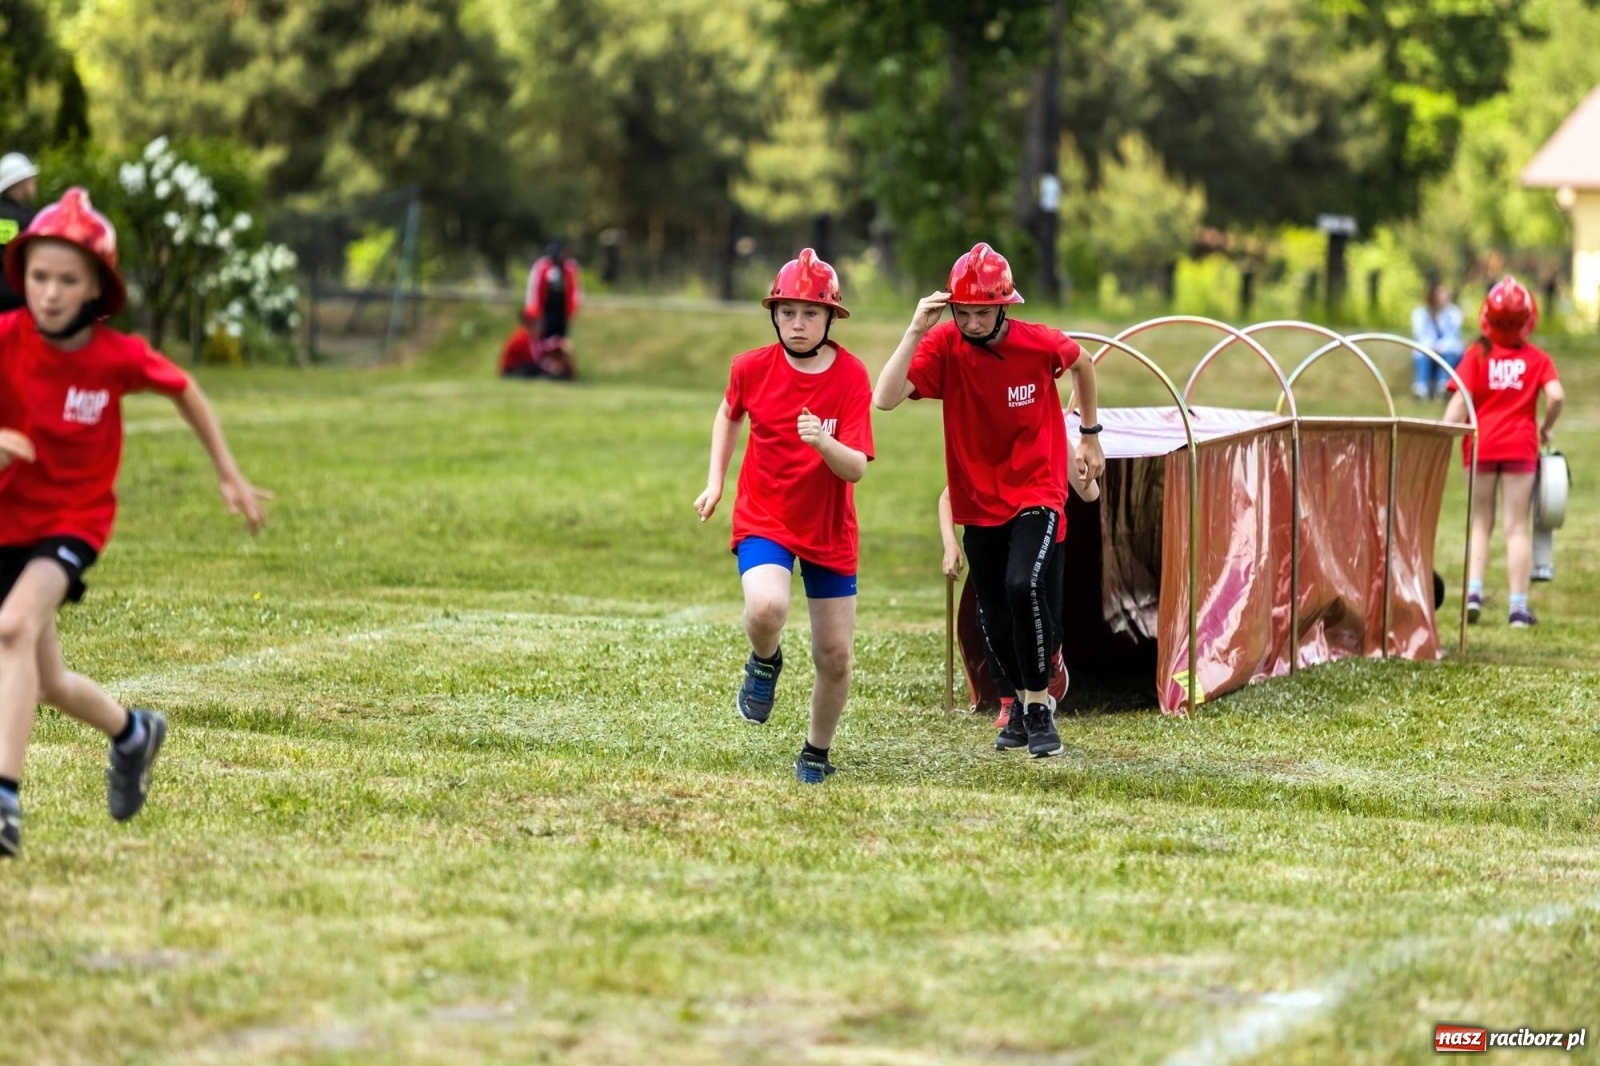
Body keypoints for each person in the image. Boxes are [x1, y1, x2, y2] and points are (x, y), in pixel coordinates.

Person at [0, 188, 271, 857]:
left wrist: (229, 473)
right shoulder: (5, 340)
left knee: (12, 625)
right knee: (49, 680)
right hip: (9, 519)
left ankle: (4, 796)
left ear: (97, 287)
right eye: (39, 277)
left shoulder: (116, 357)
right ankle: (132, 733)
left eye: (68, 280)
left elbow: (185, 389)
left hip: (73, 521)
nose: (51, 293)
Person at [875, 243, 1103, 758]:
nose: (973, 322)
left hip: (1037, 488)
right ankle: (1018, 703)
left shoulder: (1038, 343)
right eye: (964, 312)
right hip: (976, 497)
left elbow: (1083, 363)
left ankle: (1040, 706)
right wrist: (916, 329)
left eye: (983, 312)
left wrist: (1089, 433)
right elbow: (883, 398)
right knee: (993, 608)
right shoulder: (943, 345)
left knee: (1023, 584)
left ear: (1004, 306)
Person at [694, 248, 873, 784]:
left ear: (830, 318)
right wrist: (715, 481)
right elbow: (728, 416)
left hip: (829, 528)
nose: (798, 323)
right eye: (788, 312)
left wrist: (824, 441)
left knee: (835, 655)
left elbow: (857, 469)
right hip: (765, 514)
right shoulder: (749, 367)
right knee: (767, 608)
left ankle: (816, 752)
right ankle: (764, 660)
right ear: (773, 314)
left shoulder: (851, 377)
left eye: (810, 313)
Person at [1442, 276, 1562, 628]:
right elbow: (1555, 395)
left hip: (1480, 446)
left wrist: (1440, 436)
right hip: (1519, 449)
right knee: (1516, 527)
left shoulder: (1476, 355)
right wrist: (1547, 426)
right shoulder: (1538, 360)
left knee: (1480, 521)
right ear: (1528, 319)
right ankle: (1518, 609)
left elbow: (1457, 404)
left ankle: (1474, 594)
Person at [514, 240, 583, 380]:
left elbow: (575, 290)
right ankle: (546, 370)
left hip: (562, 314)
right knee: (544, 344)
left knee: (561, 344)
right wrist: (535, 312)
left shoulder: (570, 268)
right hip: (545, 314)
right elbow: (534, 290)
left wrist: (572, 310)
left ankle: (562, 372)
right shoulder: (542, 267)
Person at [1410, 279, 1465, 401]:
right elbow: (1421, 334)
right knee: (1423, 354)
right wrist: (1432, 346)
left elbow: (1452, 336)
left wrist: (1440, 347)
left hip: (1447, 349)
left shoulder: (1453, 313)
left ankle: (1443, 386)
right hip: (1427, 348)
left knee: (1450, 354)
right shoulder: (1420, 313)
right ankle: (1421, 387)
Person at [0, 152, 41, 313]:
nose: (34, 183)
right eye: (31, 179)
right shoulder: (31, 221)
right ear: (18, 183)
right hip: (19, 301)